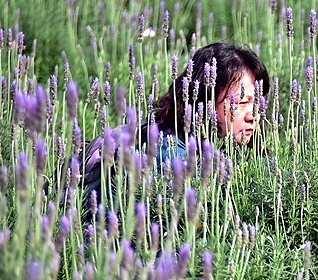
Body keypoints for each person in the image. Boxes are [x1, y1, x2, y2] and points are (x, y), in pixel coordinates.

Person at [79, 42, 270, 214]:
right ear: (206, 97)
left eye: (257, 104)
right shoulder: (168, 153)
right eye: (243, 102)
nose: (252, 115)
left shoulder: (215, 148)